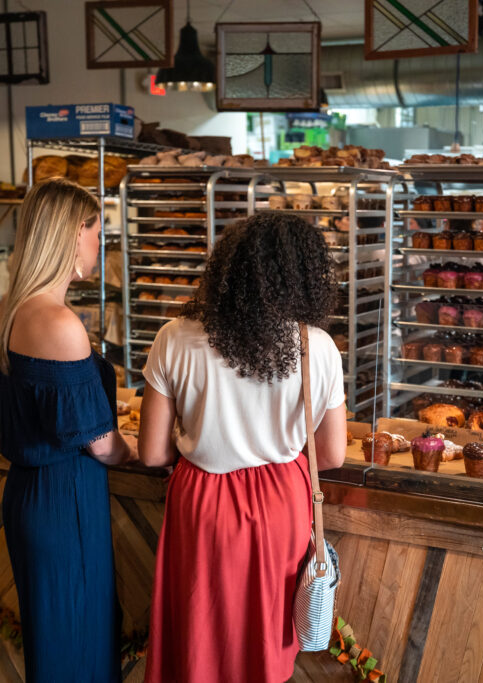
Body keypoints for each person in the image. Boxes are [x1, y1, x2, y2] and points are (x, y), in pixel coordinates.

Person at [139, 213, 348, 683]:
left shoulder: (174, 337)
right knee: (263, 641)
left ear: (226, 270)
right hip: (280, 504)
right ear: (305, 275)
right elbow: (332, 455)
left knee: (197, 632)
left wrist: (202, 431)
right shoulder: (316, 346)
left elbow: (151, 454)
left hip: (201, 503)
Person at [0, 178, 136, 682]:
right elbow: (100, 444)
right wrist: (152, 447)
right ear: (75, 233)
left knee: (56, 644)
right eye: (100, 233)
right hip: (66, 499)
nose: (102, 245)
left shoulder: (10, 306)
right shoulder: (58, 322)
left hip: (29, 493)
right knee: (79, 643)